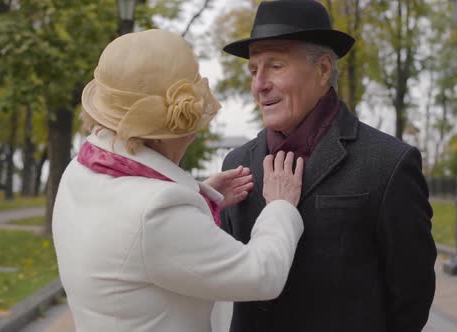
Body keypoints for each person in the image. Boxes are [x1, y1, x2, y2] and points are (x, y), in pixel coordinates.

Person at [52, 29, 305, 332]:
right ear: (173, 129)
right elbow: (261, 275)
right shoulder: (157, 212)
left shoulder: (79, 172)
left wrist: (202, 195)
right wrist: (279, 207)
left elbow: (136, 221)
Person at [220, 1, 437, 331]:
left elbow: (411, 297)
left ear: (323, 69)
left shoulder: (388, 163)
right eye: (253, 70)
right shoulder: (237, 165)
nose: (259, 84)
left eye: (275, 66)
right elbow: (222, 274)